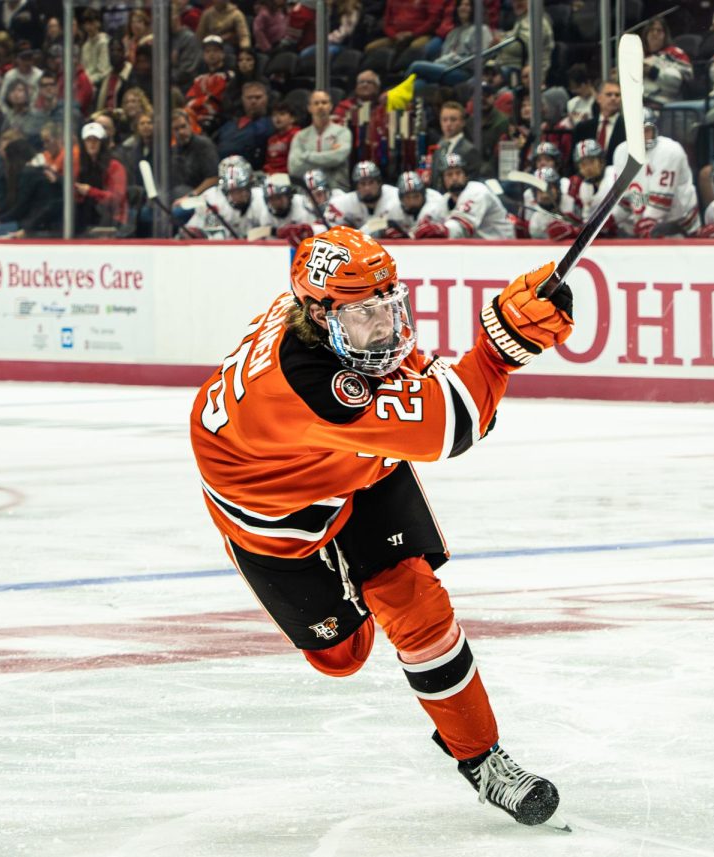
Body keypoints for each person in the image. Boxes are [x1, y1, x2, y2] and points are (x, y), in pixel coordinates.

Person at [188, 224, 572, 828]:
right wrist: (497, 351)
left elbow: (425, 392)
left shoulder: (315, 318)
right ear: (317, 313)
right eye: (366, 315)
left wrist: (462, 392)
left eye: (390, 307)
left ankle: (482, 759)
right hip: (276, 514)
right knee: (341, 657)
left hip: (347, 463)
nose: (386, 328)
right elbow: (452, 425)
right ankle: (347, 586)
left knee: (413, 599)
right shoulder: (307, 385)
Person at [604, 109, 699, 238]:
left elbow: (661, 202)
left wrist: (645, 223)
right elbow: (625, 200)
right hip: (644, 225)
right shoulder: (621, 152)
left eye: (646, 130)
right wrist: (607, 221)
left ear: (655, 129)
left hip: (679, 226)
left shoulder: (670, 151)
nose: (642, 136)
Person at [415, 152, 514, 239]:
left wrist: (440, 229)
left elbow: (462, 228)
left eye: (458, 173)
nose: (454, 178)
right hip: (482, 250)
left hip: (505, 247)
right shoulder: (445, 200)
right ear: (442, 179)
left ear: (465, 176)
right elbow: (429, 220)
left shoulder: (477, 191)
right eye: (449, 174)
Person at [180, 157, 271, 239]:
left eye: (243, 188)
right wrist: (194, 232)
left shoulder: (261, 197)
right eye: (233, 191)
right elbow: (192, 229)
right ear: (224, 190)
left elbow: (271, 231)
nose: (239, 195)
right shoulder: (211, 198)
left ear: (250, 185)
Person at [288, 90, 353, 191]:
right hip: (308, 192)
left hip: (336, 190)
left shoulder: (343, 132)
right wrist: (328, 160)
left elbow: (338, 158)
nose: (320, 106)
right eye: (316, 103)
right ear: (309, 108)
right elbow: (294, 168)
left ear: (331, 106)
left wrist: (307, 156)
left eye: (324, 102)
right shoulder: (300, 136)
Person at [74, 121, 128, 233]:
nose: (92, 144)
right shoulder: (78, 164)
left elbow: (116, 199)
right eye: (88, 140)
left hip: (110, 217)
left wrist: (90, 191)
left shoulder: (115, 166)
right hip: (84, 215)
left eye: (95, 140)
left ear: (102, 143)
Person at [326, 160, 400, 233]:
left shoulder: (395, 196)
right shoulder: (344, 202)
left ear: (379, 183)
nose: (367, 188)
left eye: (371, 182)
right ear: (356, 186)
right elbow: (329, 227)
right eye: (362, 183)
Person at [429, 101, 481, 188]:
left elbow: (472, 182)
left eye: (453, 119)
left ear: (463, 122)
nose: (448, 124)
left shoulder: (469, 150)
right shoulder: (439, 146)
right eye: (444, 120)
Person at [641, 17, 693, 104]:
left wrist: (652, 71)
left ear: (665, 35)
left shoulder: (675, 53)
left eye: (659, 30)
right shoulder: (639, 55)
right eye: (651, 30)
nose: (655, 33)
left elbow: (685, 79)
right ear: (646, 34)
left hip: (666, 104)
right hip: (639, 104)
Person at [382, 170, 447, 238]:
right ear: (401, 198)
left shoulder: (436, 202)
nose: (412, 201)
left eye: (416, 196)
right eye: (408, 197)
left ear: (423, 194)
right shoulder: (392, 207)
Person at [524, 167, 580, 240]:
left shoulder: (572, 204)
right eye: (540, 190)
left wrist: (576, 231)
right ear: (534, 194)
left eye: (549, 188)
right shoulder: (536, 220)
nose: (545, 195)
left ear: (557, 188)